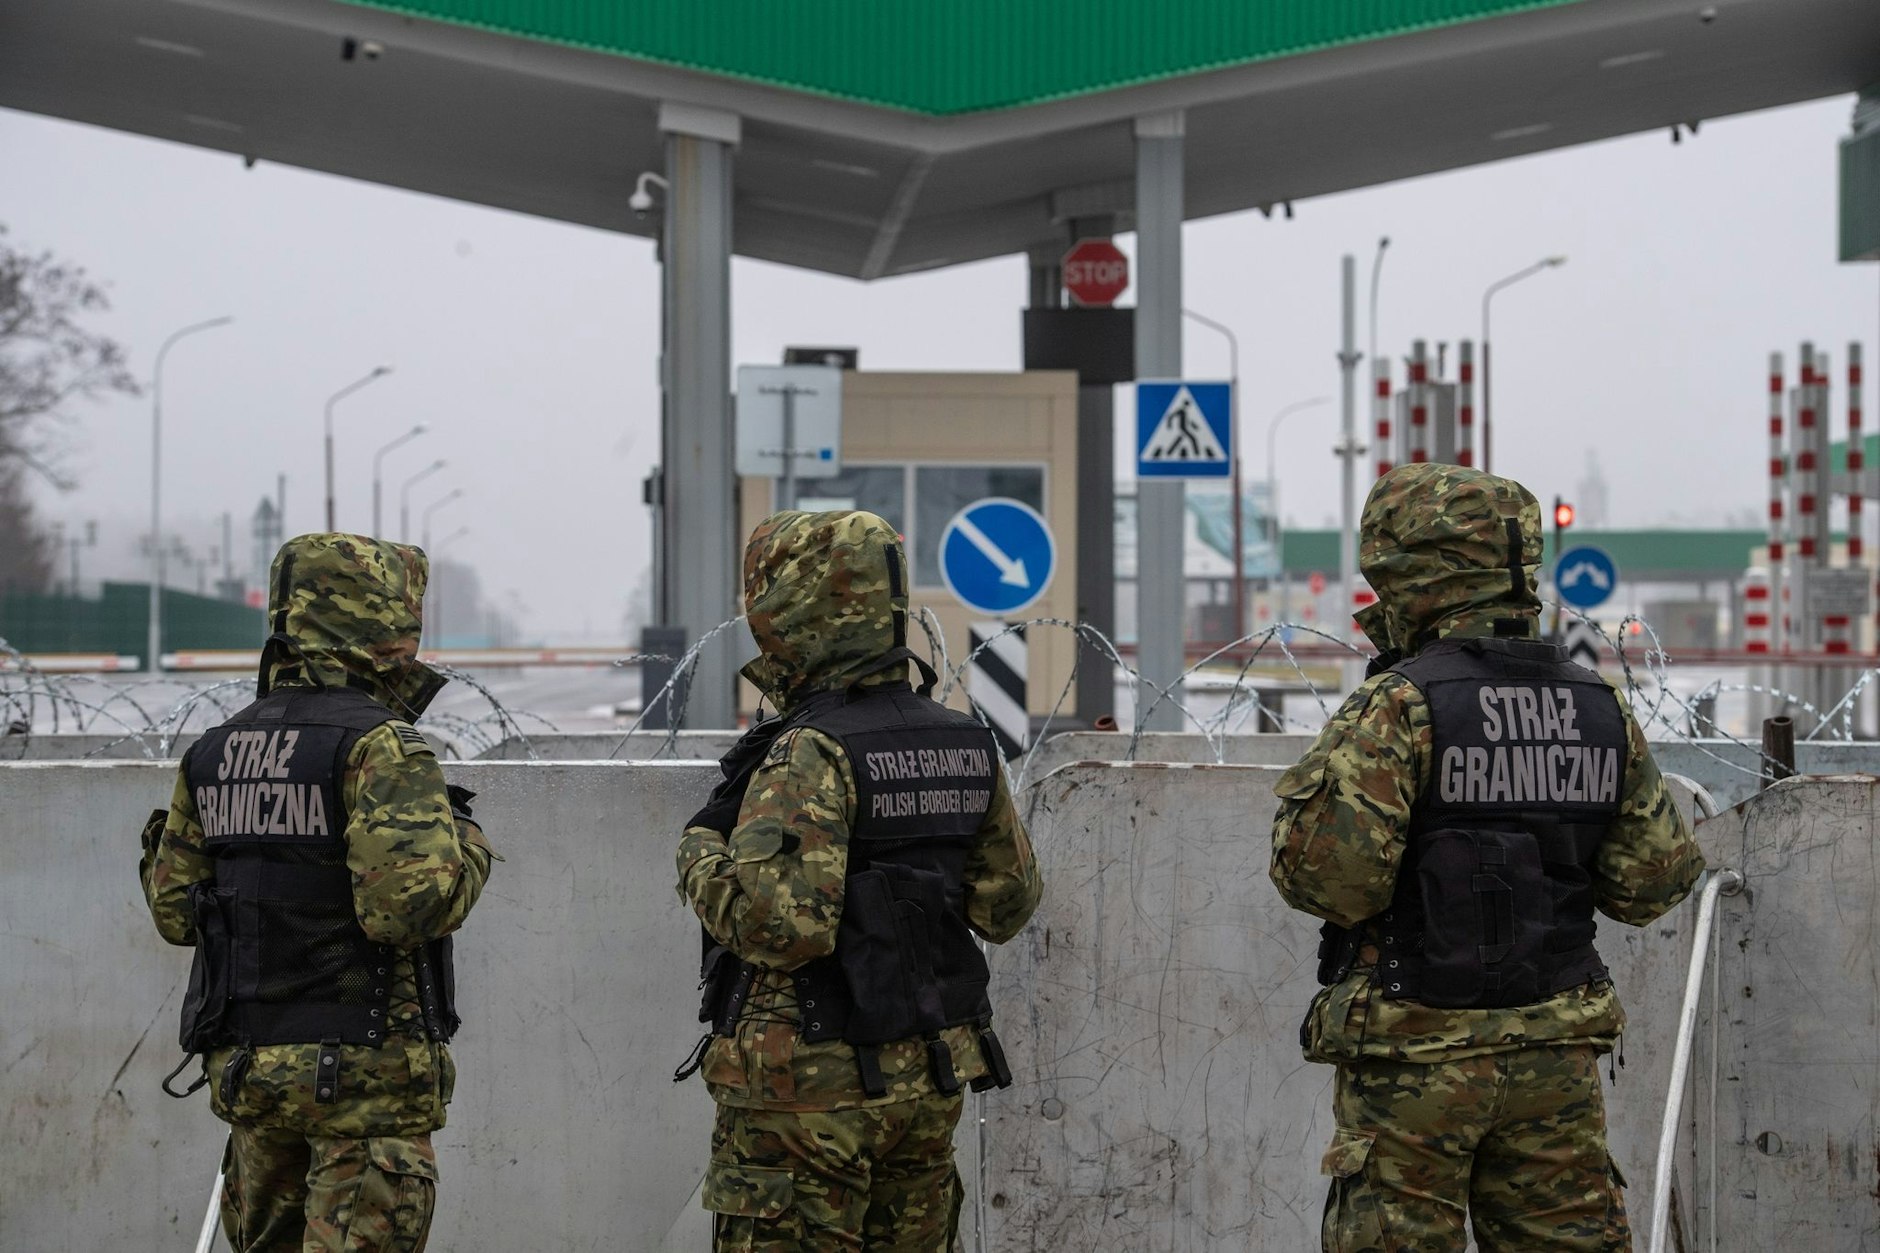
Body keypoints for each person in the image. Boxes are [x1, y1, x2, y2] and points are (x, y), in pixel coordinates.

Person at [1270, 464, 1705, 1253]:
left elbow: (1328, 879)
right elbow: (1653, 883)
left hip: (1415, 1056)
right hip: (1554, 1060)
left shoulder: (1400, 704)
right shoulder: (1597, 704)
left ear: (1414, 576)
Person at [676, 509, 1043, 1251]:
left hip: (810, 1090)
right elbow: (1006, 903)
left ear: (789, 613)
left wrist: (700, 857)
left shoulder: (809, 748)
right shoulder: (962, 739)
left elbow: (787, 928)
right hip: (925, 1078)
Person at [139, 533, 497, 1252]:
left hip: (255, 1078)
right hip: (360, 1089)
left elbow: (176, 911)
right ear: (385, 623)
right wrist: (471, 844)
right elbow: (407, 908)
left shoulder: (216, 750)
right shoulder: (379, 745)